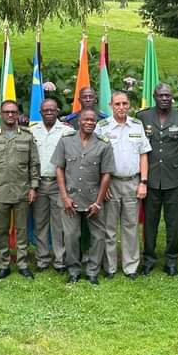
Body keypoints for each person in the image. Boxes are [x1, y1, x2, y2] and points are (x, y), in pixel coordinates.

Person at [51, 107, 115, 284]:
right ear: (78, 121)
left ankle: (93, 271)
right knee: (71, 236)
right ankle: (74, 270)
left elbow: (106, 174)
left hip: (93, 199)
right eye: (86, 119)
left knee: (98, 236)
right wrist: (65, 197)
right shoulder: (66, 141)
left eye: (92, 120)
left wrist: (98, 202)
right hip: (70, 199)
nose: (89, 122)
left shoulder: (103, 144)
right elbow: (59, 169)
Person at [137, 83, 178, 276]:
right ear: (154, 96)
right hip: (151, 179)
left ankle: (171, 260)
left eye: (168, 95)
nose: (164, 98)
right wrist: (141, 179)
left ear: (172, 97)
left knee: (174, 223)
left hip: (175, 180)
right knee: (150, 222)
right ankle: (149, 259)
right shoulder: (143, 117)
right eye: (161, 95)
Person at [0, 101, 40, 280]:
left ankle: (22, 264)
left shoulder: (27, 136)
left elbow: (34, 164)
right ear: (1, 114)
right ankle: (4, 264)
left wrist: (34, 187)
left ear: (18, 114)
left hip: (22, 190)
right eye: (6, 112)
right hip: (0, 191)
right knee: (1, 231)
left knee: (22, 230)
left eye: (13, 112)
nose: (10, 115)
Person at [95, 91, 151, 279]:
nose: (121, 107)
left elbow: (144, 154)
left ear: (129, 105)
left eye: (124, 103)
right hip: (110, 183)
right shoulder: (102, 127)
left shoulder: (137, 125)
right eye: (117, 104)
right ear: (111, 105)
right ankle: (110, 267)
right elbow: (96, 157)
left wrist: (143, 182)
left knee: (130, 226)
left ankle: (130, 267)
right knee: (109, 228)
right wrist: (102, 185)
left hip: (132, 183)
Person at [30, 98, 75, 273]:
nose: (49, 112)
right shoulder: (33, 131)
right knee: (40, 223)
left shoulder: (67, 131)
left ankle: (59, 260)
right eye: (45, 110)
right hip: (39, 183)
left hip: (59, 184)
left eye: (52, 110)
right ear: (40, 112)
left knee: (59, 224)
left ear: (57, 111)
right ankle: (42, 259)